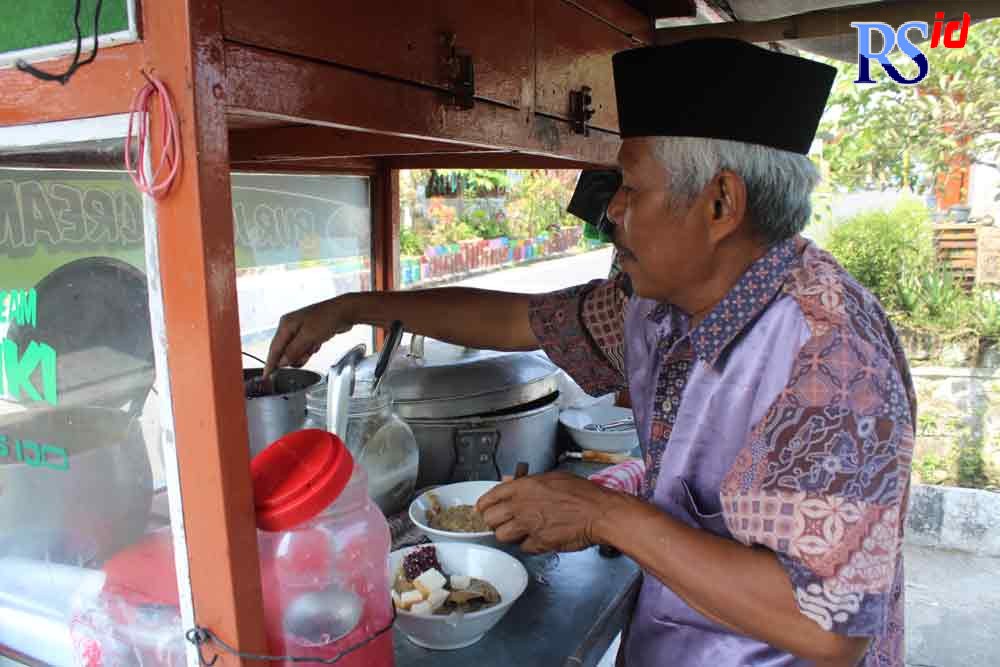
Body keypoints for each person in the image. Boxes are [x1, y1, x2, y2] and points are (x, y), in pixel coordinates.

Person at [263, 38, 913, 667]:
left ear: (720, 203)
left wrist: (603, 514)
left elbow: (828, 627)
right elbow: (519, 318)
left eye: (631, 187)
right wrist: (358, 307)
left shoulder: (830, 355)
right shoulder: (657, 306)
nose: (613, 213)